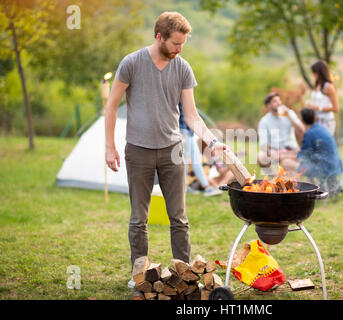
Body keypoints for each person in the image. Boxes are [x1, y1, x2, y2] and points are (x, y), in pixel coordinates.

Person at [104, 12, 229, 289]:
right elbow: (111, 105)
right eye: (175, 43)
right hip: (138, 150)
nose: (179, 49)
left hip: (173, 150)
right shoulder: (131, 63)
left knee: (179, 218)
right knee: (139, 218)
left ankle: (184, 274)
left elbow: (192, 116)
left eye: (183, 44)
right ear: (159, 37)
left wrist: (212, 140)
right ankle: (139, 274)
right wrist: (110, 146)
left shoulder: (183, 67)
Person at [297, 108, 343, 197]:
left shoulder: (309, 134)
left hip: (326, 167)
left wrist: (293, 154)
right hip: (336, 164)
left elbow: (304, 155)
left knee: (301, 168)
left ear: (302, 120)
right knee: (307, 164)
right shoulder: (323, 128)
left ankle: (311, 193)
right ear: (315, 117)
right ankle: (329, 188)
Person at [178, 102, 221, 196]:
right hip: (183, 133)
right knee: (184, 162)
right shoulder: (179, 95)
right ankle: (185, 188)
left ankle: (206, 188)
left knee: (195, 160)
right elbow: (182, 116)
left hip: (189, 133)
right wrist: (183, 133)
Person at [257, 92, 305, 175]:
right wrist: (270, 152)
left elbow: (302, 130)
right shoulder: (264, 121)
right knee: (260, 157)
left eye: (279, 100)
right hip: (275, 150)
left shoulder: (289, 113)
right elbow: (263, 144)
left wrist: (289, 116)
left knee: (286, 163)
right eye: (275, 101)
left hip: (291, 150)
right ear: (268, 106)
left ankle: (294, 182)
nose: (279, 103)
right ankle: (272, 177)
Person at [305, 60, 340, 136]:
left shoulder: (329, 87)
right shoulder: (317, 85)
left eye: (315, 73)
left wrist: (318, 108)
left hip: (326, 122)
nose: (313, 75)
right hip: (316, 121)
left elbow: (336, 108)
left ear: (320, 73)